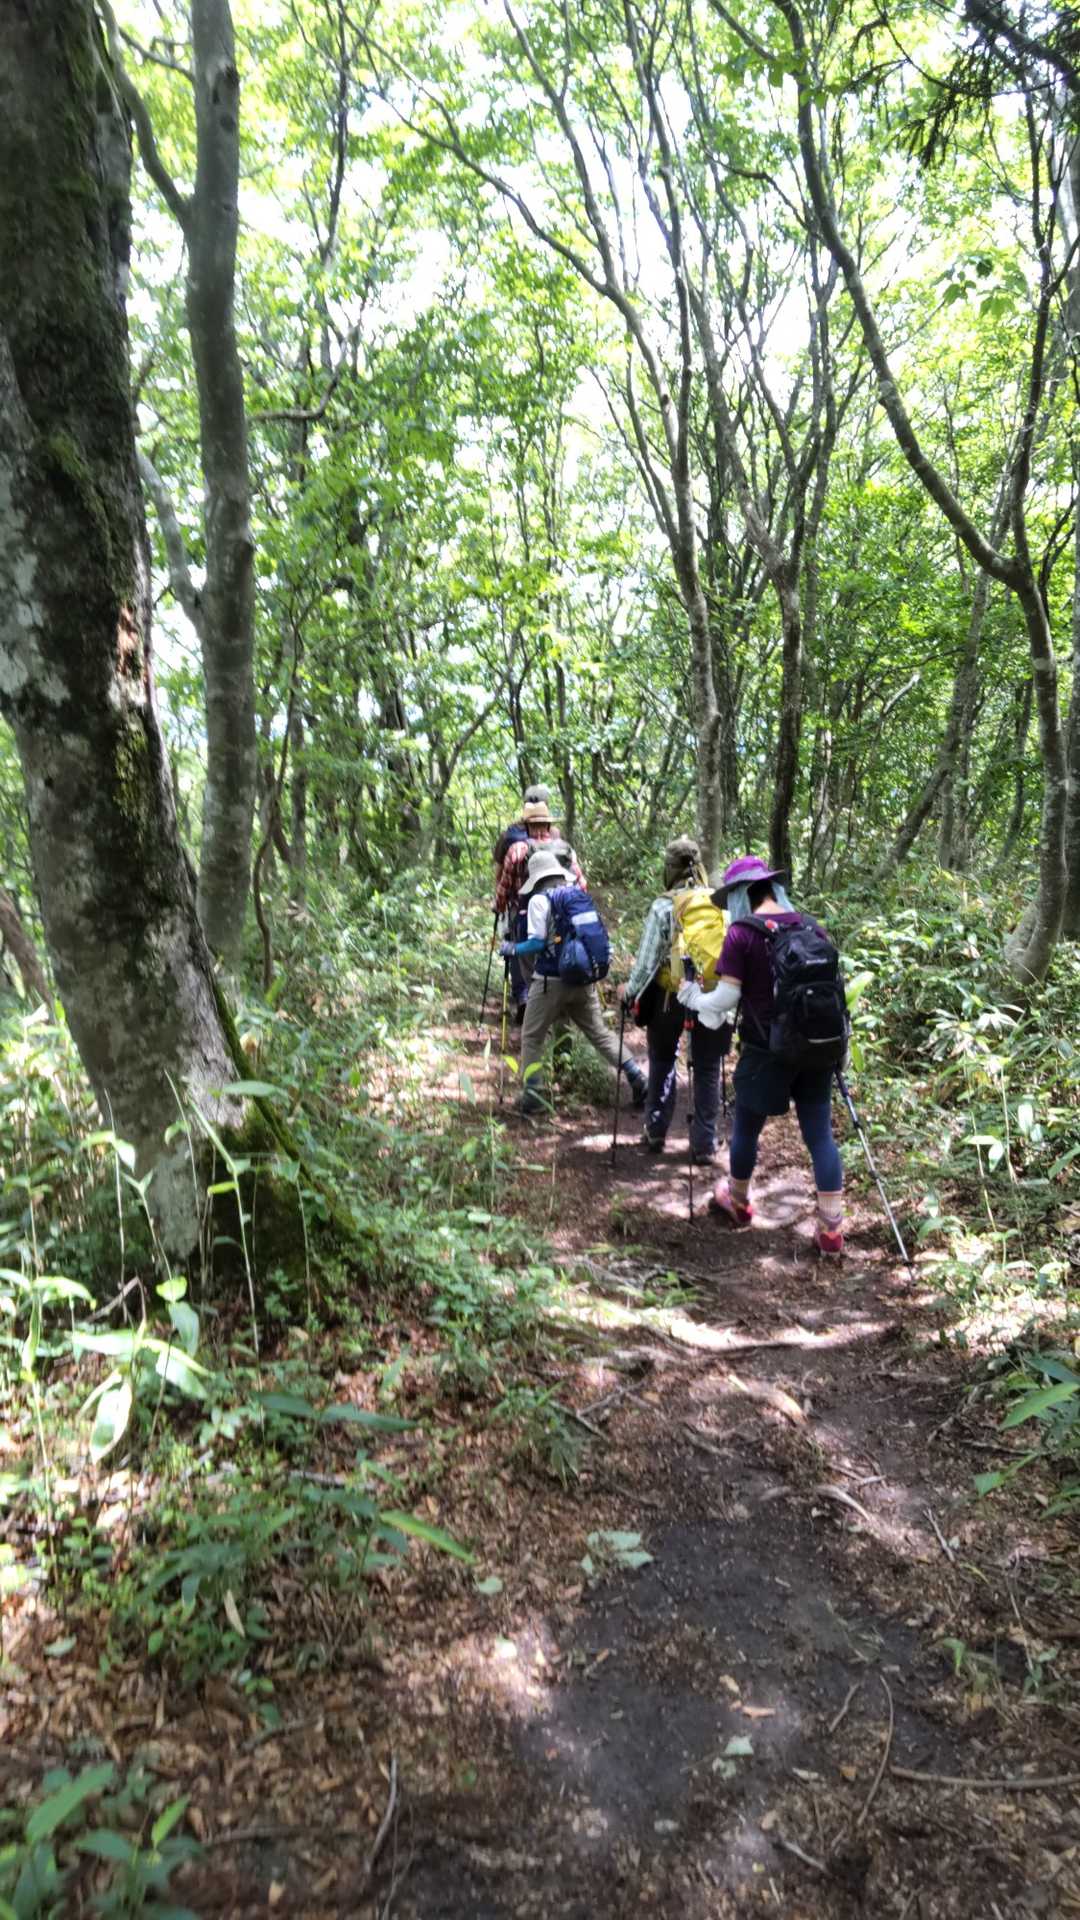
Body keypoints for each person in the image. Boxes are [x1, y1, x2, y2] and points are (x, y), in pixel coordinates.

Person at [677, 855, 845, 1257]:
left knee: (747, 1130)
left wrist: (692, 997)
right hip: (817, 1048)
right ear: (772, 888)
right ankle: (831, 1229)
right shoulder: (812, 928)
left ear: (740, 895)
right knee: (820, 1135)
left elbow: (726, 998)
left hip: (765, 1049)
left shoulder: (742, 934)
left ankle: (737, 1201)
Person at [504, 847, 647, 1118]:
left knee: (532, 1036)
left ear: (536, 878)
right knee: (599, 1033)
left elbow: (536, 943)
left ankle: (533, 1095)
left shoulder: (539, 900)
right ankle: (637, 1077)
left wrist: (512, 948)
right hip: (583, 980)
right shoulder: (577, 896)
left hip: (550, 982)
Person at [618, 836, 727, 1162]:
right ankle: (705, 1143)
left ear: (669, 869)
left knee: (663, 1059)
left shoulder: (663, 906)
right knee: (707, 1067)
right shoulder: (719, 902)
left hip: (671, 996)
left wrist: (630, 993)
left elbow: (647, 962)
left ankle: (655, 1130)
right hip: (711, 993)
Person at [494, 800, 585, 1026]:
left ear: (527, 825)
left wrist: (498, 906)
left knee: (526, 963)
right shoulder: (565, 848)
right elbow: (582, 884)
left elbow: (504, 886)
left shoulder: (517, 850)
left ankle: (530, 1004)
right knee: (558, 961)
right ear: (548, 824)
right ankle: (560, 1015)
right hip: (561, 917)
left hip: (526, 915)